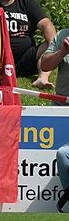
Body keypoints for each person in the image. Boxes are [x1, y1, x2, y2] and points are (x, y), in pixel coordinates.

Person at [39, 28, 69, 211]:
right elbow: (44, 65)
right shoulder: (63, 35)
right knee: (63, 154)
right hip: (62, 111)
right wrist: (63, 52)